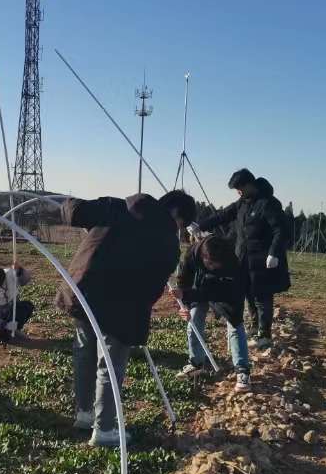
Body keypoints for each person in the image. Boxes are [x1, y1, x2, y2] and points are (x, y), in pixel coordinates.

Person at [55, 190, 197, 447]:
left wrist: (81, 217)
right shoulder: (167, 242)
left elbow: (74, 210)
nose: (178, 229)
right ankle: (105, 429)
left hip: (84, 290)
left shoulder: (118, 208)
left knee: (85, 352)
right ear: (177, 215)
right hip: (121, 304)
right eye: (181, 224)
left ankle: (85, 414)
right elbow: (153, 285)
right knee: (110, 365)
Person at [188, 168, 290, 350]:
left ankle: (265, 334)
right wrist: (200, 224)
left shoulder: (267, 204)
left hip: (262, 259)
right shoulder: (242, 203)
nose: (238, 192)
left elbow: (279, 230)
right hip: (243, 257)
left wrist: (273, 252)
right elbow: (222, 215)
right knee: (248, 292)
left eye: (239, 188)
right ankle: (255, 326)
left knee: (262, 295)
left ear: (249, 185)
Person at [170, 234, 251, 392]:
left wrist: (187, 294)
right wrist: (184, 305)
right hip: (200, 287)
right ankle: (196, 363)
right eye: (212, 264)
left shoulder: (232, 262)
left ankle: (243, 370)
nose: (215, 267)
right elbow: (184, 278)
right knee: (193, 319)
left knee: (235, 324)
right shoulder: (193, 252)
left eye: (218, 265)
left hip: (228, 291)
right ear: (203, 257)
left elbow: (218, 292)